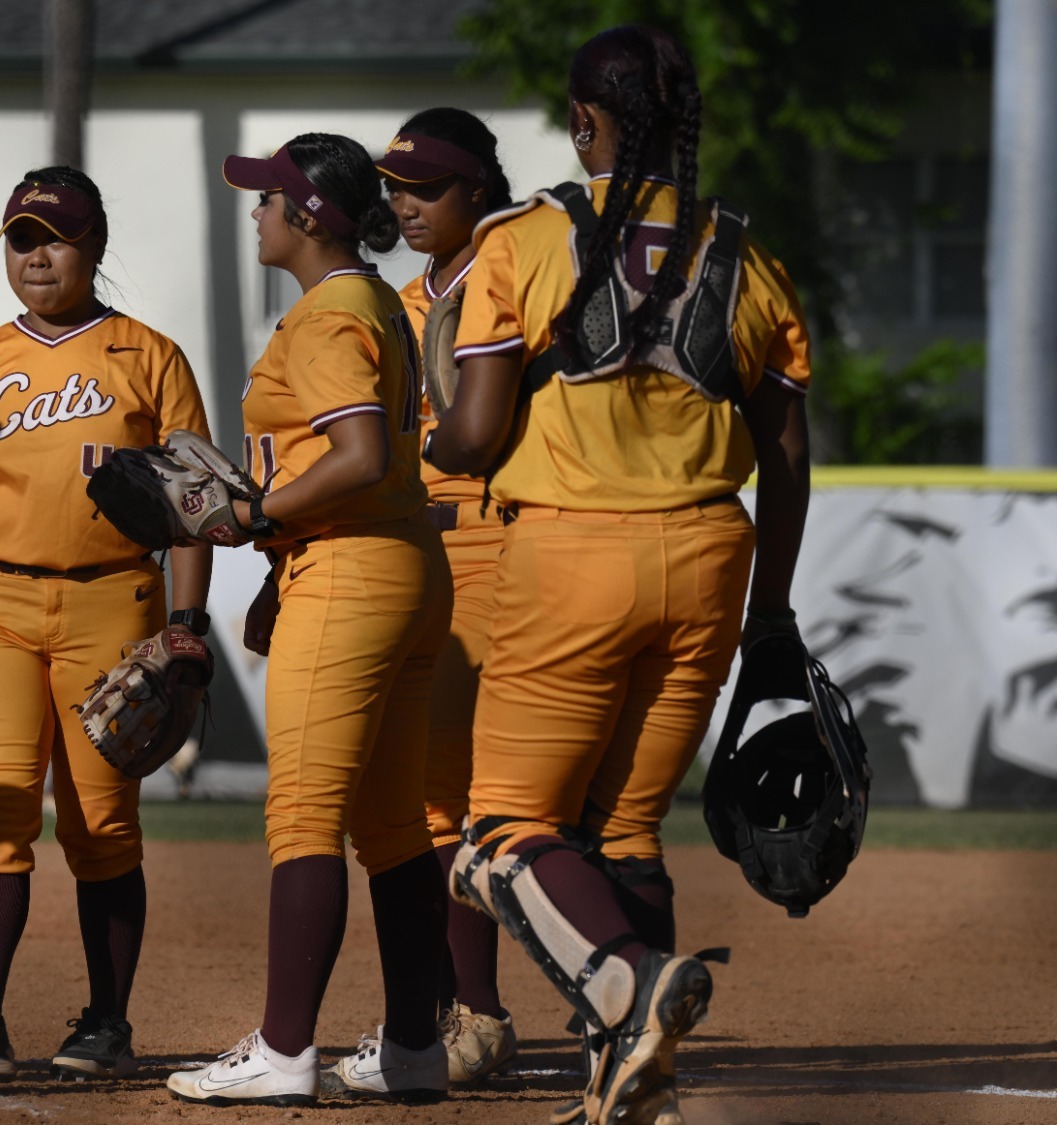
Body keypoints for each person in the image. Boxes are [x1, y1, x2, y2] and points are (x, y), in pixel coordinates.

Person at [426, 25, 811, 1125]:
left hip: (574, 552)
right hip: (708, 556)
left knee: (494, 835)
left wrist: (435, 445)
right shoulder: (742, 250)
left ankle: (627, 989)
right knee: (626, 831)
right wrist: (770, 610)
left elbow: (479, 433)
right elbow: (783, 449)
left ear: (583, 121)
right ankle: (630, 1080)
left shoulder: (525, 241)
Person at [0, 168, 214, 1085]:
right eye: (21, 238)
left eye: (56, 237)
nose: (36, 256)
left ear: (95, 245)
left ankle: (107, 1022)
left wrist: (186, 628)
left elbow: (194, 508)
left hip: (116, 601)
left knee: (102, 827)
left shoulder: (149, 356)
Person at [165, 134, 454, 1107]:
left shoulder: (330, 313)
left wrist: (252, 518)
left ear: (307, 217)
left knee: (303, 818)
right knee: (388, 825)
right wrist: (277, 562)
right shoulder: (371, 300)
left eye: (265, 200)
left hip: (354, 575)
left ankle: (285, 1052)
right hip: (396, 571)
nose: (254, 214)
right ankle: (414, 1046)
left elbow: (358, 455)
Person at [373, 108, 520, 1085]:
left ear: (478, 187)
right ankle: (438, 1003)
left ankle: (477, 1011)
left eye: (424, 189)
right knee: (414, 793)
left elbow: (477, 435)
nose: (404, 206)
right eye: (395, 189)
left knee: (458, 801)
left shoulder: (509, 279)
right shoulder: (398, 296)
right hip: (408, 552)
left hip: (493, 551)